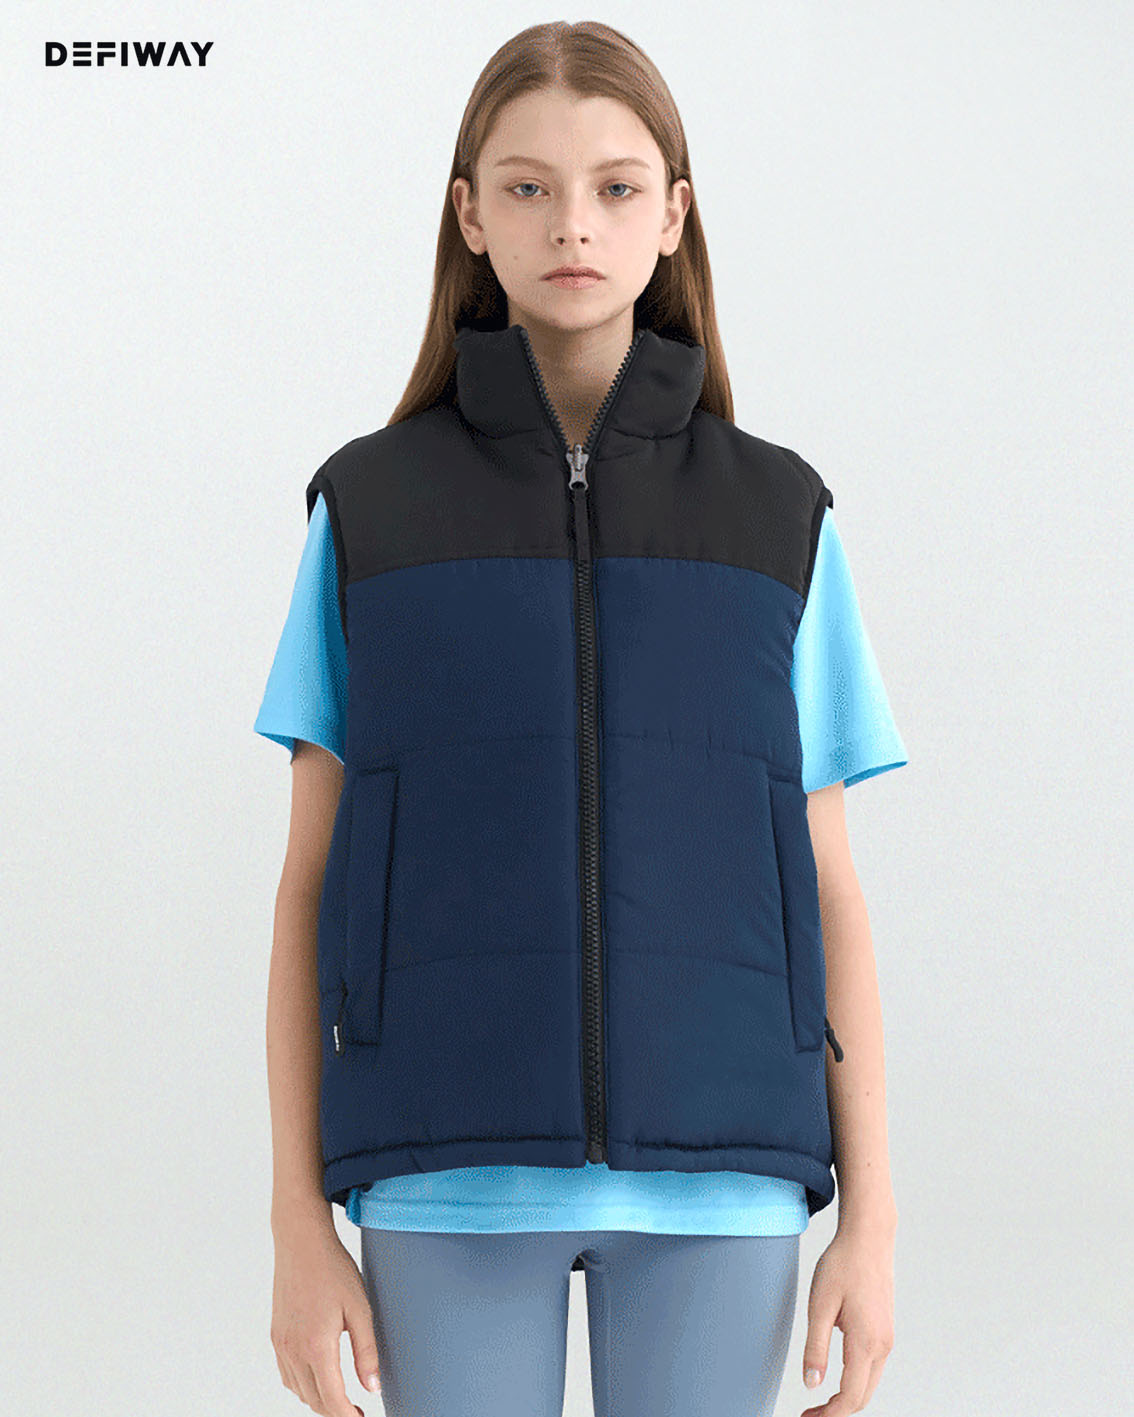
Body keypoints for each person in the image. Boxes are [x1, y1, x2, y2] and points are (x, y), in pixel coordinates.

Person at [256, 20, 906, 1417]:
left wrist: (875, 1220)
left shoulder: (777, 517)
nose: (572, 224)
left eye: (615, 187)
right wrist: (297, 1225)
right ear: (469, 215)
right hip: (443, 1166)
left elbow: (830, 885)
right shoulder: (369, 512)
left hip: (726, 1176)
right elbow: (308, 885)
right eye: (528, 186)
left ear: (672, 215)